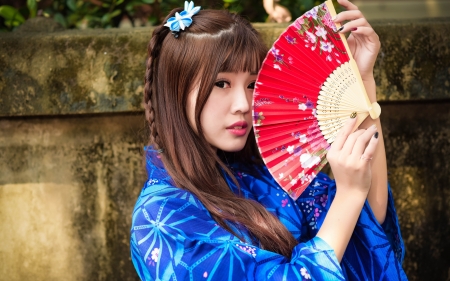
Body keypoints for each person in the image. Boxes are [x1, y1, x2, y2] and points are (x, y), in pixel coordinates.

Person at [130, 0, 408, 280]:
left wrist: (362, 83)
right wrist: (348, 195)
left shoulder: (263, 174)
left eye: (252, 84)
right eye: (221, 84)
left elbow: (367, 222)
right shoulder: (160, 217)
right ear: (174, 92)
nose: (243, 104)